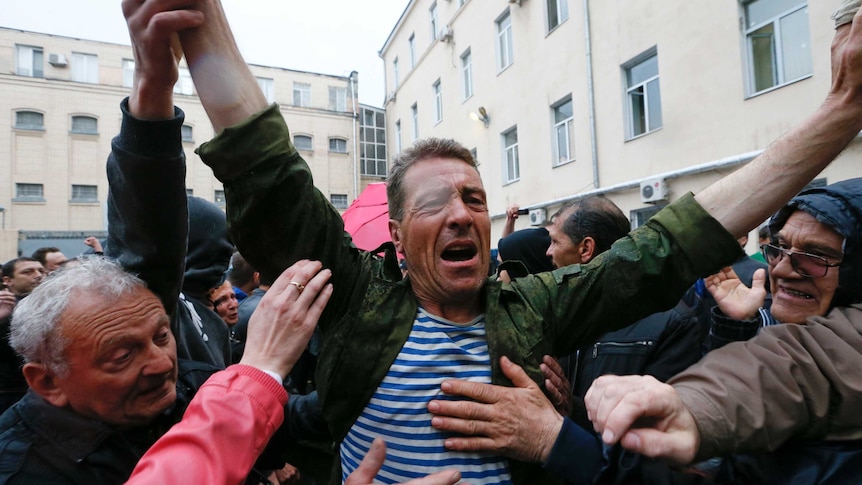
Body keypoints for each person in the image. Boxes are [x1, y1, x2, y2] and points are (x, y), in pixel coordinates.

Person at [165, 0, 862, 481]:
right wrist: (201, 25)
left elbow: (671, 246)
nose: (463, 213)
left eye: (474, 197)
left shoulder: (534, 308)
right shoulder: (356, 304)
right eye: (435, 203)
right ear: (400, 243)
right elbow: (272, 177)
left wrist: (836, 117)